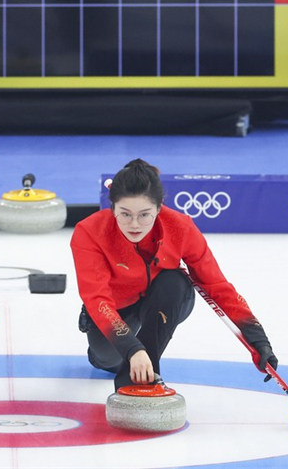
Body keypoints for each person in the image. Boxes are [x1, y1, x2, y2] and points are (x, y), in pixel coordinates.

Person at [71, 159, 277, 391]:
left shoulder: (180, 228)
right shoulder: (89, 232)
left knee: (176, 283)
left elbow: (216, 284)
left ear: (159, 208)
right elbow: (96, 297)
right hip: (114, 305)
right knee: (108, 359)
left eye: (145, 215)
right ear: (113, 208)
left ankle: (144, 376)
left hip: (161, 300)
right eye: (125, 214)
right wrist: (131, 349)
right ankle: (119, 355)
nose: (135, 224)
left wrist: (257, 337)